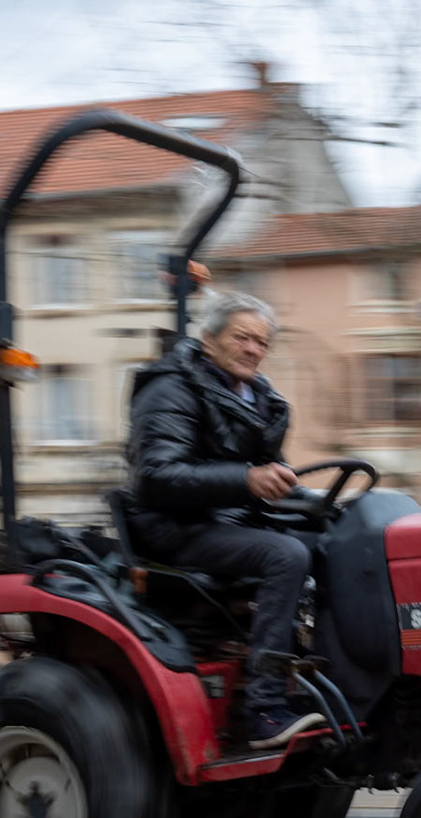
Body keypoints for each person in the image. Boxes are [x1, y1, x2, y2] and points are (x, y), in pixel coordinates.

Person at [123, 293, 327, 750]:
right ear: (210, 339)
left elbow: (272, 477)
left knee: (338, 537)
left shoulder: (257, 398)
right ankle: (265, 707)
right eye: (243, 337)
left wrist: (328, 504)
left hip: (228, 517)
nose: (254, 349)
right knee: (286, 555)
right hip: (175, 528)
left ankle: (334, 675)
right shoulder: (170, 388)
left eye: (262, 342)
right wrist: (247, 480)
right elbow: (156, 476)